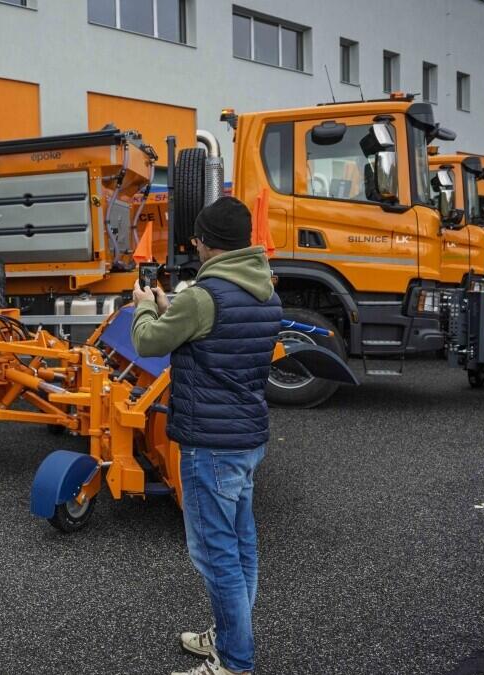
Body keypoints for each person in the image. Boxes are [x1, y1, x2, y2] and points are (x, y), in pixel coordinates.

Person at [130, 196, 281, 675]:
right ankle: (230, 636)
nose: (194, 247)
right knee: (241, 545)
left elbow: (148, 342)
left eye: (196, 240)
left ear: (208, 243)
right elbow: (219, 337)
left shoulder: (202, 297)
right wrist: (169, 306)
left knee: (216, 556)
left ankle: (234, 662)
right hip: (247, 437)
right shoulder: (267, 292)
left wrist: (143, 308)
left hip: (209, 445)